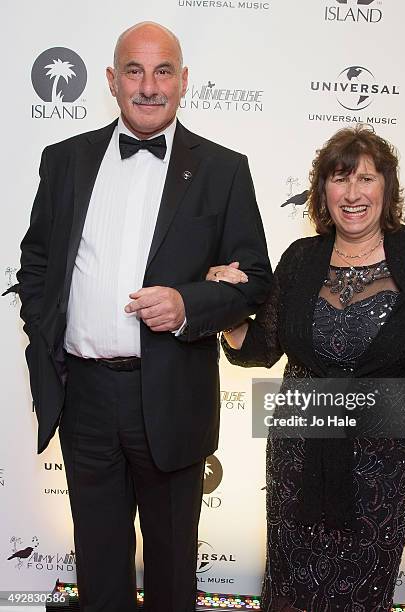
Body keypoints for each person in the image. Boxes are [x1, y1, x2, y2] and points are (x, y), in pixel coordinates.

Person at [17, 21, 271, 612]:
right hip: (82, 394)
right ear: (111, 80)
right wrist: (42, 322)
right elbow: (37, 260)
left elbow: (255, 280)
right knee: (99, 564)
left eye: (163, 72)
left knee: (172, 568)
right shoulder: (63, 161)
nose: (149, 86)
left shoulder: (223, 169)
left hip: (171, 396)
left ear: (184, 82)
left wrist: (189, 305)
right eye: (135, 70)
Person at [208, 126, 405, 611]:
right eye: (339, 180)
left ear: (387, 187)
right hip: (296, 457)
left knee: (359, 594)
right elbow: (257, 348)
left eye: (366, 178)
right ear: (323, 192)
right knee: (291, 589)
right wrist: (225, 300)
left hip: (380, 469)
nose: (353, 193)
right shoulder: (301, 259)